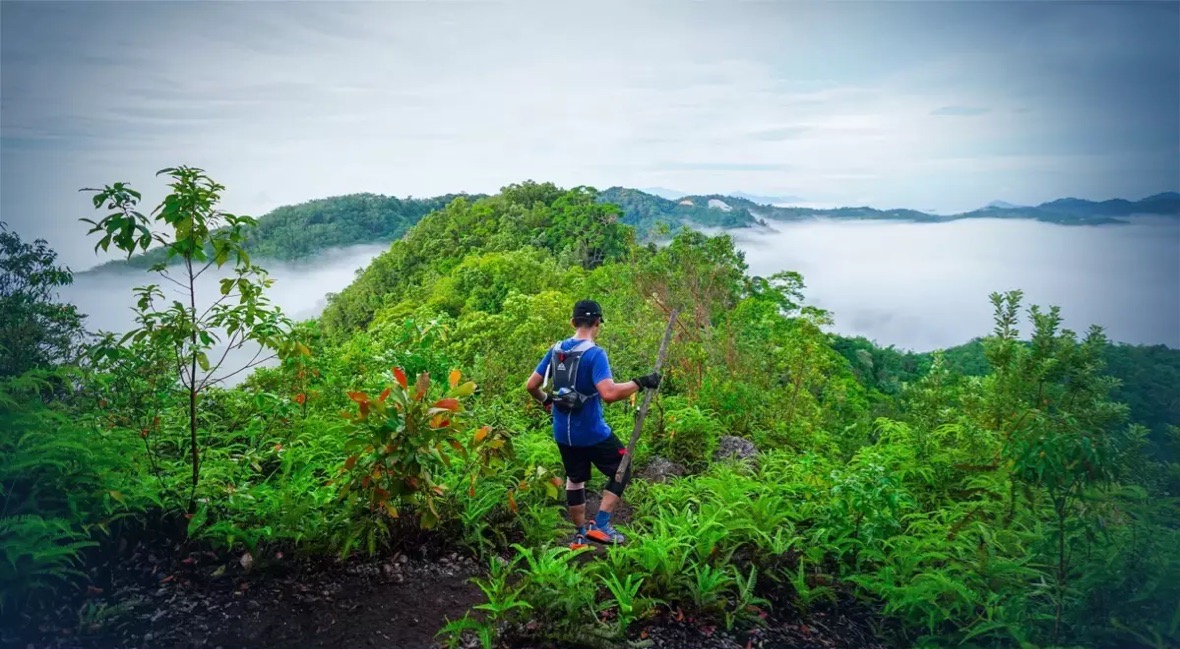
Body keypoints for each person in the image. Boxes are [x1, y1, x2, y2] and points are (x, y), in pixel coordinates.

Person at [525, 299, 661, 549]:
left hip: (562, 433)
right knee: (623, 467)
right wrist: (640, 382)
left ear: (572, 322)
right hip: (591, 431)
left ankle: (578, 535)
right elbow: (608, 393)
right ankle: (601, 525)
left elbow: (531, 385)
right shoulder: (595, 354)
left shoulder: (556, 350)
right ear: (597, 322)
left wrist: (547, 401)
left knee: (575, 478)